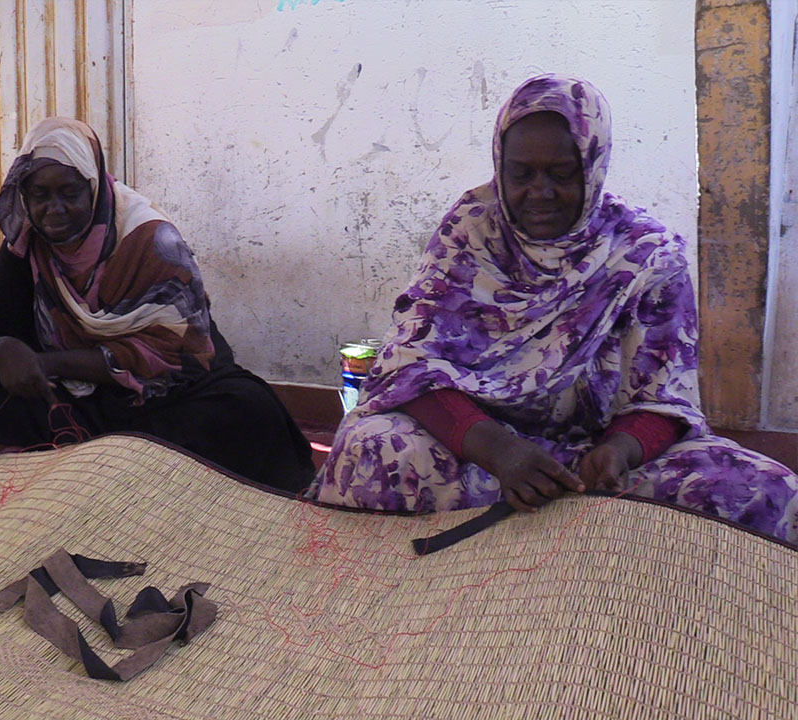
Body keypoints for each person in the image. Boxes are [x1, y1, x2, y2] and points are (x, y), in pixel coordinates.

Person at [309, 74, 798, 544]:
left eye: (562, 175)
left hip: (594, 460)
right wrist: (499, 450)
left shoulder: (645, 255)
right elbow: (412, 367)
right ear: (500, 166)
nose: (538, 193)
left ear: (593, 166)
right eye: (520, 174)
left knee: (763, 489)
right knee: (375, 446)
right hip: (478, 450)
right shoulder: (472, 231)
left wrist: (618, 451)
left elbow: (664, 396)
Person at [0, 117, 314, 492]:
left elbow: (182, 354)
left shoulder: (151, 240)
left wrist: (47, 362)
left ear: (94, 188)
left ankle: (98, 477)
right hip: (74, 397)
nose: (54, 209)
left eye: (69, 193)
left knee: (249, 410)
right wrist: (1, 351)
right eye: (40, 195)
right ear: (24, 196)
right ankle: (110, 475)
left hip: (163, 394)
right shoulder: (26, 247)